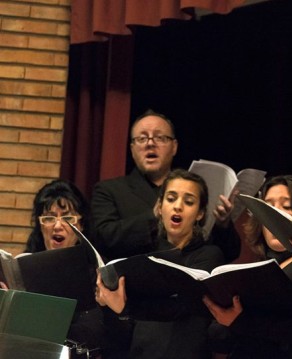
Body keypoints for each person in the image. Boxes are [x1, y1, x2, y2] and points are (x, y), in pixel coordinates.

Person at [203, 175, 292, 358]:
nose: (275, 214)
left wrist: (241, 322)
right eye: (268, 207)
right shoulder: (256, 268)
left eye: (287, 206)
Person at [95, 169, 225, 359]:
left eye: (189, 202)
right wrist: (107, 302)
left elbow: (181, 306)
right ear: (160, 206)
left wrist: (127, 306)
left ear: (200, 214)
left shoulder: (209, 256)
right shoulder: (143, 256)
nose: (178, 206)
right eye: (171, 199)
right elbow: (123, 331)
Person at [24, 179, 105, 358]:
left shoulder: (98, 274)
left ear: (82, 225)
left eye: (68, 218)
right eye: (49, 218)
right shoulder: (23, 268)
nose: (58, 225)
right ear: (40, 225)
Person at [91, 109, 178, 260]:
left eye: (159, 137)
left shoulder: (189, 192)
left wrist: (222, 224)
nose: (150, 144)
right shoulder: (109, 190)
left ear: (174, 147)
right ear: (132, 149)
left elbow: (224, 250)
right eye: (142, 139)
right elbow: (103, 239)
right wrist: (153, 217)